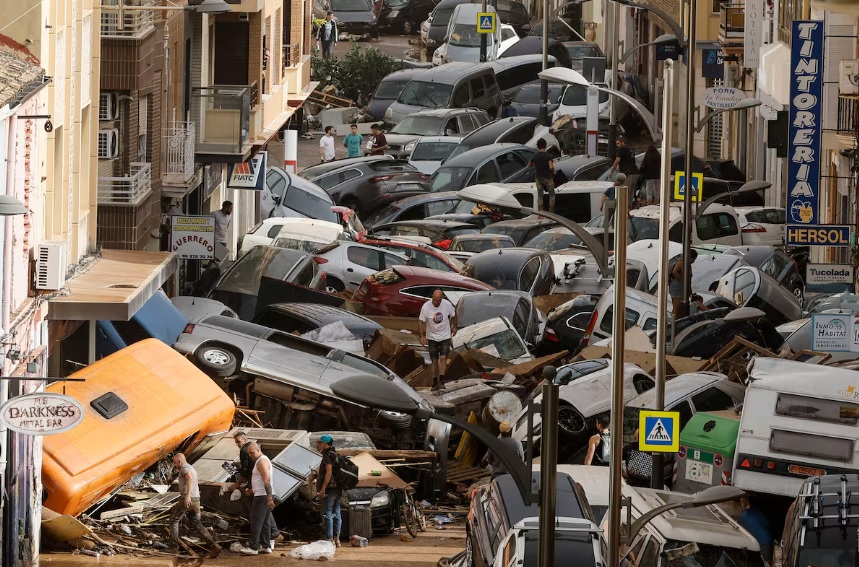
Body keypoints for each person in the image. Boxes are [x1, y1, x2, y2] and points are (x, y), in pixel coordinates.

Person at [227, 432, 279, 546]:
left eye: (238, 441)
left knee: (256, 519)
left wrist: (239, 484)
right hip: (259, 490)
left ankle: (254, 546)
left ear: (245, 440)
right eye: (236, 442)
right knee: (264, 518)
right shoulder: (260, 457)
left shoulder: (248, 452)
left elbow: (247, 472)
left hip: (261, 493)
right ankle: (268, 543)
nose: (237, 444)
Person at [169, 453, 217, 552]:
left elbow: (189, 479)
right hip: (196, 499)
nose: (174, 465)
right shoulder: (191, 468)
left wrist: (187, 496)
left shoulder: (185, 468)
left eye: (175, 463)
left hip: (188, 499)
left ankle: (173, 546)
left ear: (180, 461)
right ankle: (214, 546)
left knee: (174, 521)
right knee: (197, 523)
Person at [239, 442, 275, 555]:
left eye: (252, 453)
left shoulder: (262, 461)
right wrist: (253, 490)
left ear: (258, 450)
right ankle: (266, 546)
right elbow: (260, 481)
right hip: (261, 494)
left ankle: (254, 547)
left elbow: (266, 480)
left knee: (256, 520)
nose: (251, 455)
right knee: (265, 522)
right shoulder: (260, 461)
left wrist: (269, 498)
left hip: (262, 496)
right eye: (249, 453)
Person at [418, 289, 457, 391]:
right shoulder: (426, 307)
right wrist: (422, 336)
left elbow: (454, 315)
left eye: (438, 301)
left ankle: (442, 380)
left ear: (441, 299)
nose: (436, 303)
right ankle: (435, 382)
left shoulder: (447, 305)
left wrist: (454, 327)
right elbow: (421, 321)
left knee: (443, 358)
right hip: (432, 337)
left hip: (445, 336)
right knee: (434, 360)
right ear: (432, 298)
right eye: (434, 301)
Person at [316, 434, 342, 548]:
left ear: (326, 444)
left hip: (330, 488)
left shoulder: (327, 455)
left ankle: (329, 539)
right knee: (337, 514)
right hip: (338, 488)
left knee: (328, 513)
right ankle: (337, 539)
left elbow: (329, 472)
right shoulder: (335, 454)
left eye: (321, 443)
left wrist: (323, 488)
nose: (319, 444)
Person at [529, 138, 555, 212]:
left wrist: (535, 164)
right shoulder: (548, 156)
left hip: (538, 178)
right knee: (552, 195)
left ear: (537, 146)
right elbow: (551, 167)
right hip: (547, 178)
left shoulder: (535, 156)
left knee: (540, 196)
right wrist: (553, 172)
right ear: (545, 146)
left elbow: (529, 165)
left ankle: (541, 213)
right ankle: (551, 212)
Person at [669, 250, 697, 318]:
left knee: (680, 307)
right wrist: (683, 281)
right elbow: (675, 272)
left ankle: (677, 320)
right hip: (677, 286)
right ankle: (673, 323)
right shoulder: (681, 263)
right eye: (694, 259)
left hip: (681, 286)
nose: (694, 261)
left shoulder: (687, 264)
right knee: (676, 307)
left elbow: (689, 278)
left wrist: (689, 288)